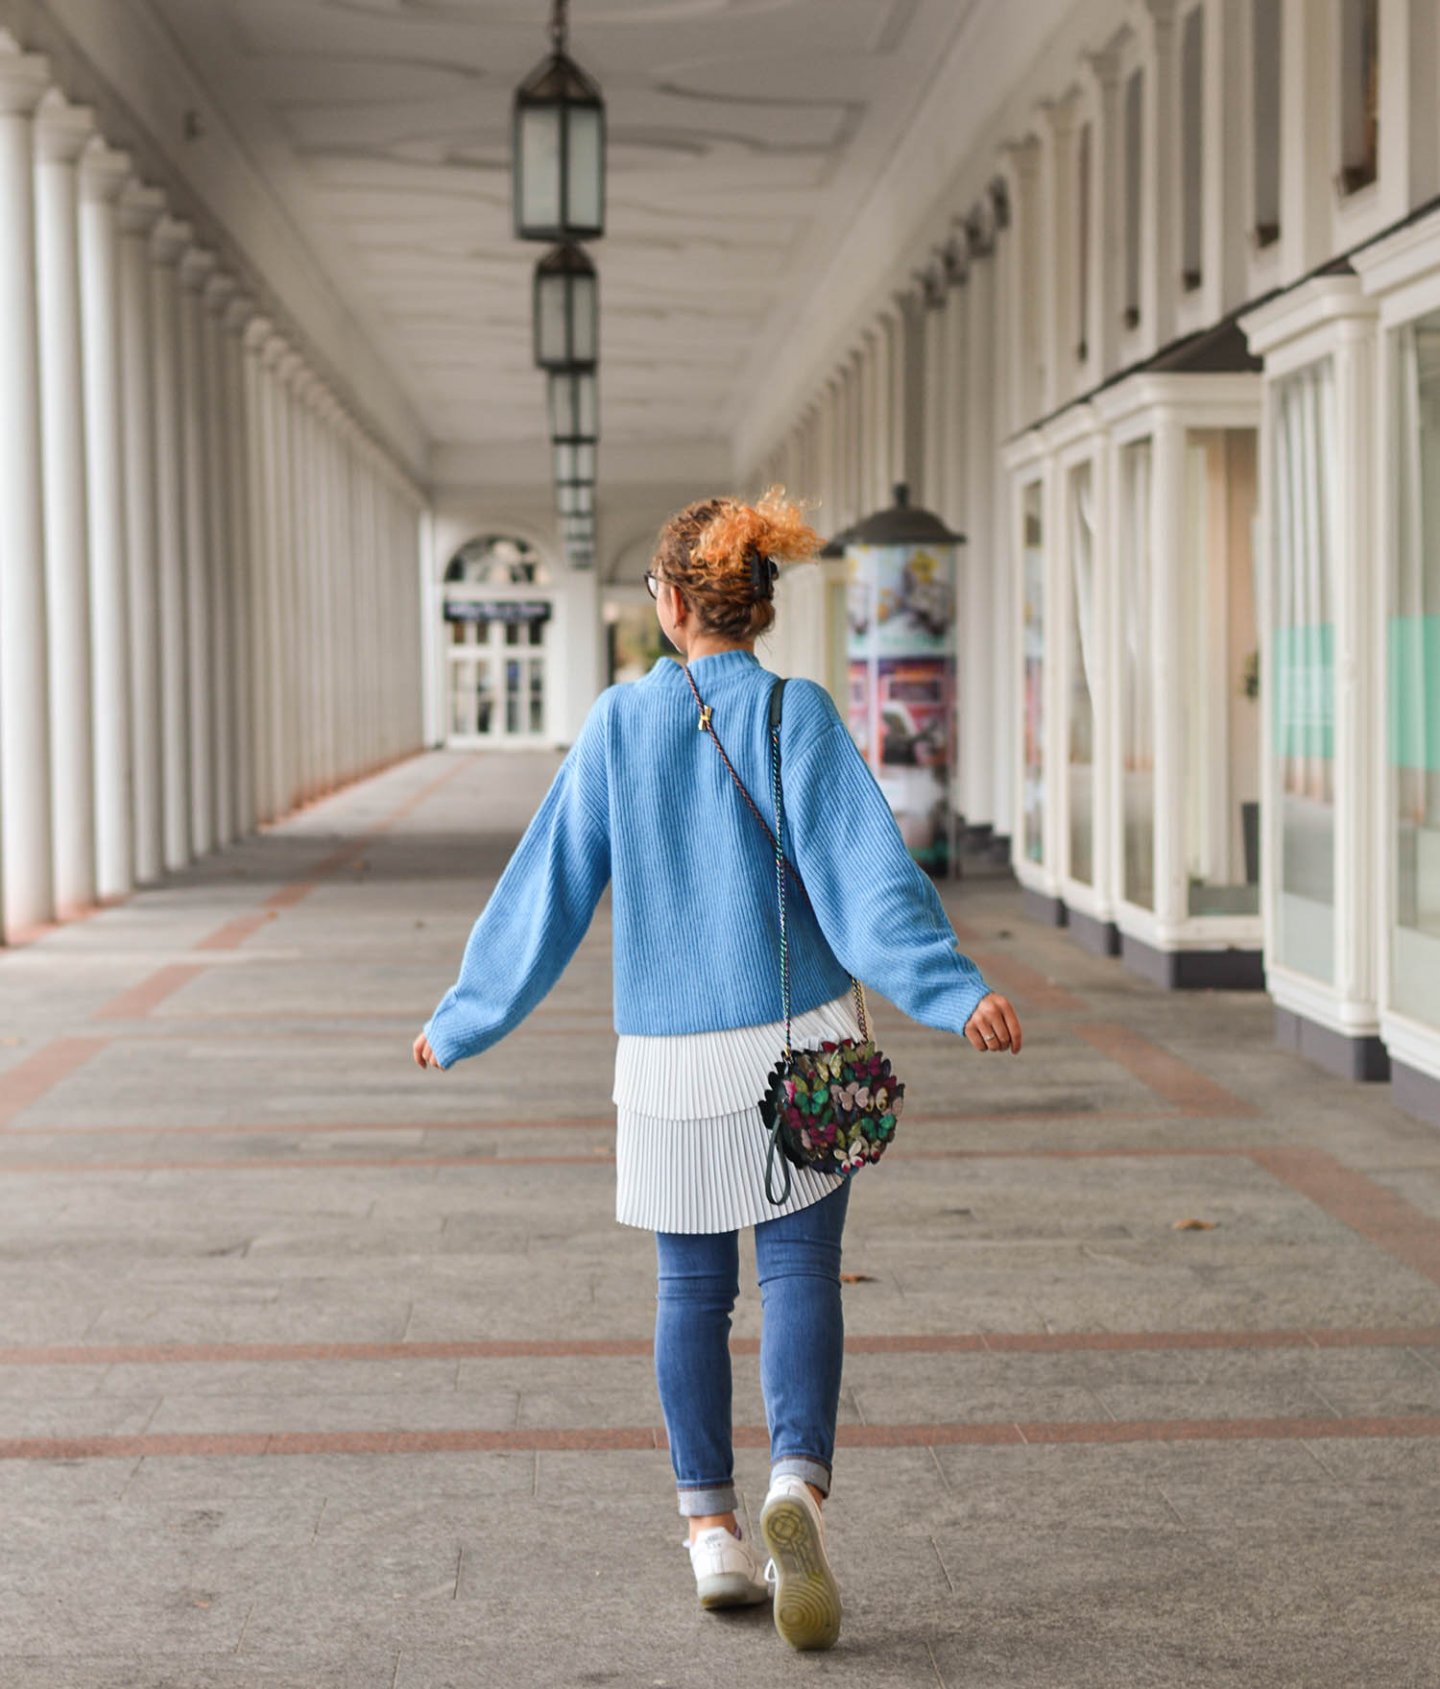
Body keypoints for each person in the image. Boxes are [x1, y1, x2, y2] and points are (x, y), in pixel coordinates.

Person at [412, 487, 1023, 1653]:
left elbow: (548, 888)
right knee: (801, 1280)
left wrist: (466, 1016)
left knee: (691, 1296)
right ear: (755, 608)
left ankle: (712, 1532)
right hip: (806, 1050)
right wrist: (956, 992)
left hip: (671, 1064)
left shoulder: (617, 726)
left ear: (675, 604)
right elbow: (872, 885)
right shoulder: (799, 717)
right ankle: (800, 1485)